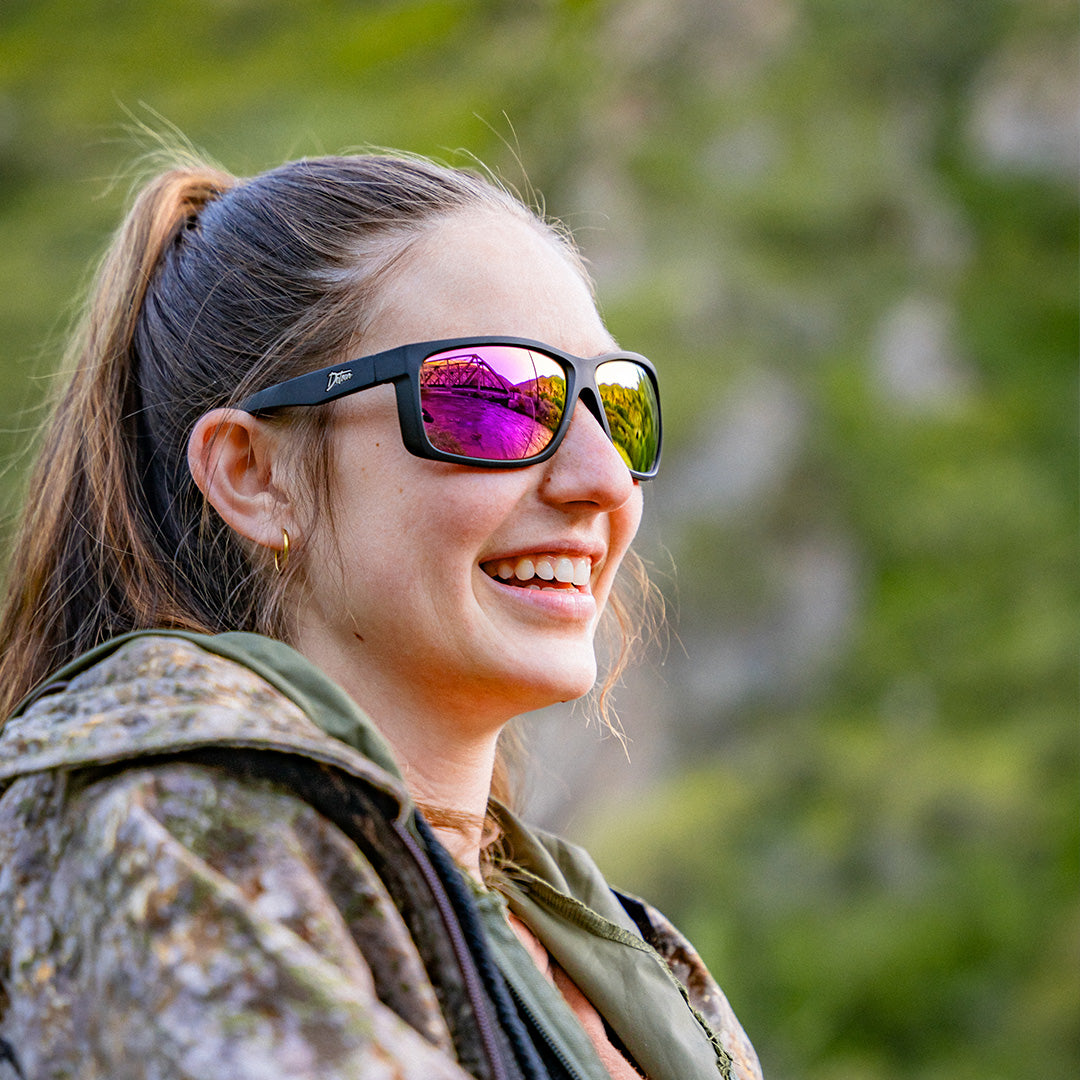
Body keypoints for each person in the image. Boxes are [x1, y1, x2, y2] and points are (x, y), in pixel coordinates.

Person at [0, 152, 761, 1080]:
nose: (604, 479)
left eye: (617, 407)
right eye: (492, 400)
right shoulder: (162, 837)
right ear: (253, 474)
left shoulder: (619, 950)